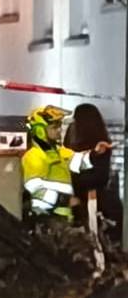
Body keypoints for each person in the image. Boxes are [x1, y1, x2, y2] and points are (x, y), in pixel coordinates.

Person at [22, 105, 111, 223]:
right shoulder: (34, 156)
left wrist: (95, 154)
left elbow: (76, 161)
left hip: (65, 215)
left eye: (59, 126)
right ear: (40, 130)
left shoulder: (60, 151)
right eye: (54, 127)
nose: (59, 130)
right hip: (45, 216)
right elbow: (34, 186)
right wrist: (63, 199)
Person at [65, 103, 122, 241]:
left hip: (92, 201)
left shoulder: (101, 147)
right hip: (81, 199)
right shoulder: (74, 144)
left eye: (76, 120)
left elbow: (98, 177)